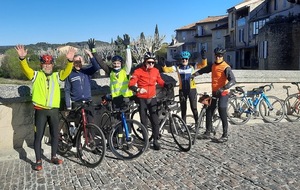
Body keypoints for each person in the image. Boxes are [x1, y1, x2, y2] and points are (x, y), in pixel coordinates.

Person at [15, 44, 76, 171]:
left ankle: (53, 156)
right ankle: (38, 161)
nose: (47, 65)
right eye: (44, 64)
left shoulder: (57, 76)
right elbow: (26, 69)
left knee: (55, 135)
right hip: (40, 110)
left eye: (49, 64)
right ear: (41, 65)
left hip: (53, 110)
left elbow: (67, 72)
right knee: (39, 136)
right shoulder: (36, 75)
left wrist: (70, 61)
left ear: (52, 65)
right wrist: (22, 59)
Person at [128, 52, 173, 150]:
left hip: (152, 98)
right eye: (149, 62)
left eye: (153, 62)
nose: (151, 64)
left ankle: (156, 140)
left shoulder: (155, 71)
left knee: (155, 120)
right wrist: (137, 89)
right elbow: (130, 84)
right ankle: (146, 142)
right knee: (144, 121)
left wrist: (166, 85)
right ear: (145, 62)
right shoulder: (138, 71)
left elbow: (159, 81)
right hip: (142, 98)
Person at [192, 47, 236, 143]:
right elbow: (204, 70)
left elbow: (233, 80)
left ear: (222, 56)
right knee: (209, 110)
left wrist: (223, 88)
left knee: (221, 110)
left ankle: (225, 135)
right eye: (216, 55)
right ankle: (208, 132)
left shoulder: (226, 67)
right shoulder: (213, 65)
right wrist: (194, 75)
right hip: (214, 93)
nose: (218, 57)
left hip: (223, 93)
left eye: (220, 56)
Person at [161, 49, 207, 126]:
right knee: (183, 108)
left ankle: (197, 123)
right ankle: (184, 125)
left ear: (188, 59)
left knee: (194, 108)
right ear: (181, 59)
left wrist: (204, 58)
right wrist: (163, 64)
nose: (184, 60)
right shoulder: (177, 67)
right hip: (182, 90)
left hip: (192, 89)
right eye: (183, 59)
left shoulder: (192, 66)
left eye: (186, 59)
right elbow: (166, 70)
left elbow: (203, 65)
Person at [88, 36, 134, 111]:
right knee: (116, 120)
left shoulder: (125, 71)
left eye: (118, 63)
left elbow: (129, 61)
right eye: (114, 63)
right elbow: (101, 63)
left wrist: (127, 47)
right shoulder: (111, 72)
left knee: (126, 120)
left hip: (125, 98)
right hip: (115, 99)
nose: (116, 65)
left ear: (121, 64)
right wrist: (94, 51)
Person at [64, 48, 100, 124]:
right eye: (75, 62)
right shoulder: (70, 74)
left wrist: (90, 55)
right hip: (76, 103)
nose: (77, 64)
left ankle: (90, 136)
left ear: (82, 62)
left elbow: (96, 67)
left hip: (88, 102)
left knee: (90, 124)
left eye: (79, 62)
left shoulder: (86, 71)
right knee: (78, 125)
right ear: (73, 63)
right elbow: (67, 90)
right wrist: (68, 106)